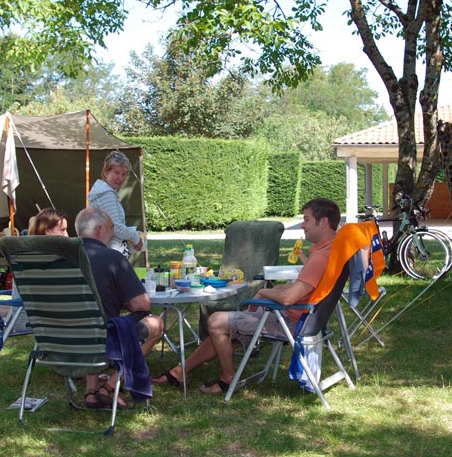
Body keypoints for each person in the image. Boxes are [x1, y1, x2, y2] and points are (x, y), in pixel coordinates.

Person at [153, 198, 340, 395]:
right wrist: (280, 290)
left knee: (217, 322)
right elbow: (299, 290)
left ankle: (227, 379)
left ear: (324, 222)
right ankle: (179, 371)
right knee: (226, 325)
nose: (303, 224)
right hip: (307, 319)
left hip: (290, 321)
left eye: (307, 219)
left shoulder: (321, 257)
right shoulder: (332, 249)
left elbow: (288, 299)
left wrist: (263, 292)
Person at [74, 206, 164, 409]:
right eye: (110, 228)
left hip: (60, 341)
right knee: (155, 324)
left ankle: (91, 390)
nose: (113, 233)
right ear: (98, 231)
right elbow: (142, 304)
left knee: (89, 320)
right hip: (101, 340)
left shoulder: (58, 260)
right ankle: (112, 385)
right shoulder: (111, 258)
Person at [88, 150, 144, 255]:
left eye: (124, 174)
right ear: (105, 172)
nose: (120, 178)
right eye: (116, 172)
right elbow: (116, 228)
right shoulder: (106, 194)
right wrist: (135, 237)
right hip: (107, 252)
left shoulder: (103, 191)